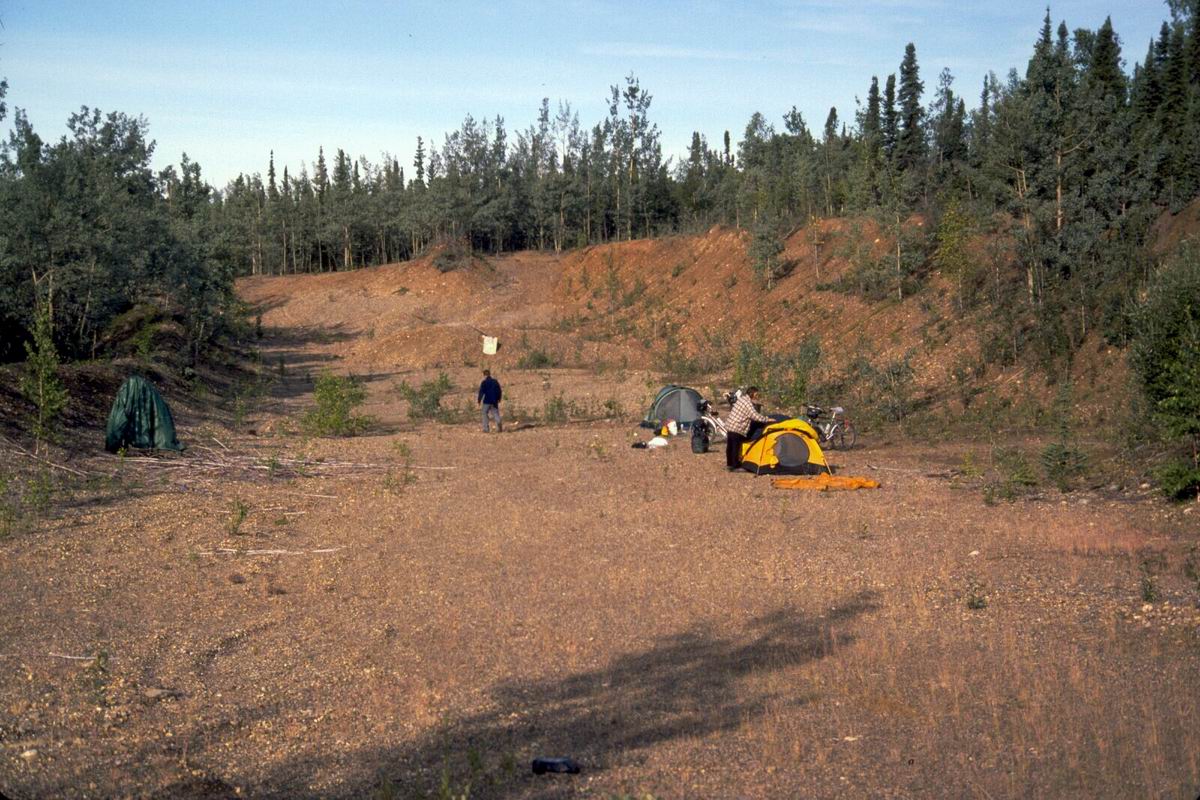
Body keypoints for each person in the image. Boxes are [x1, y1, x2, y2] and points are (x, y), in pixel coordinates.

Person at [724, 386, 771, 471]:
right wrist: (767, 419)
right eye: (756, 394)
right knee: (735, 447)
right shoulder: (747, 403)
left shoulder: (742, 399)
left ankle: (729, 464)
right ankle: (735, 466)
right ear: (752, 394)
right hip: (737, 427)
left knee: (730, 446)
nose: (757, 396)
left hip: (730, 425)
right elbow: (754, 416)